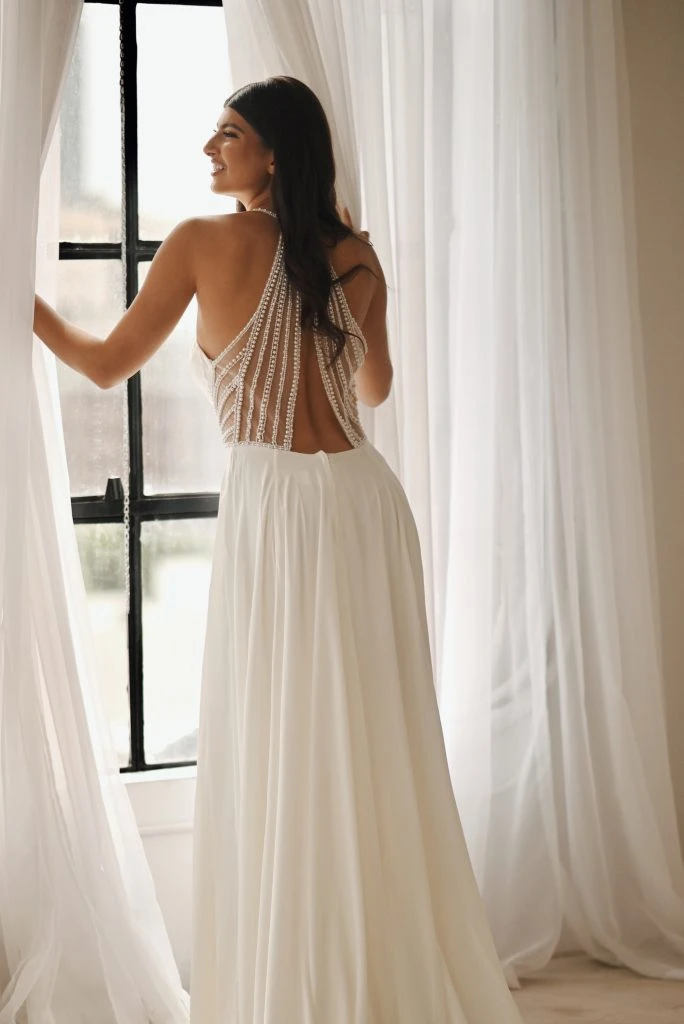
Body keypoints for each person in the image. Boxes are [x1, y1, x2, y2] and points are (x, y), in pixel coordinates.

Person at [34, 75, 525, 1024]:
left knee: (280, 739)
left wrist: (24, 303)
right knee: (372, 740)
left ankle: (295, 979)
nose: (209, 152)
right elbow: (375, 392)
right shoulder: (354, 256)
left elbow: (102, 365)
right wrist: (358, 278)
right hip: (361, 508)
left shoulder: (201, 243)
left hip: (275, 507)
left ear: (274, 152)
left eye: (228, 135)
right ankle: (376, 969)